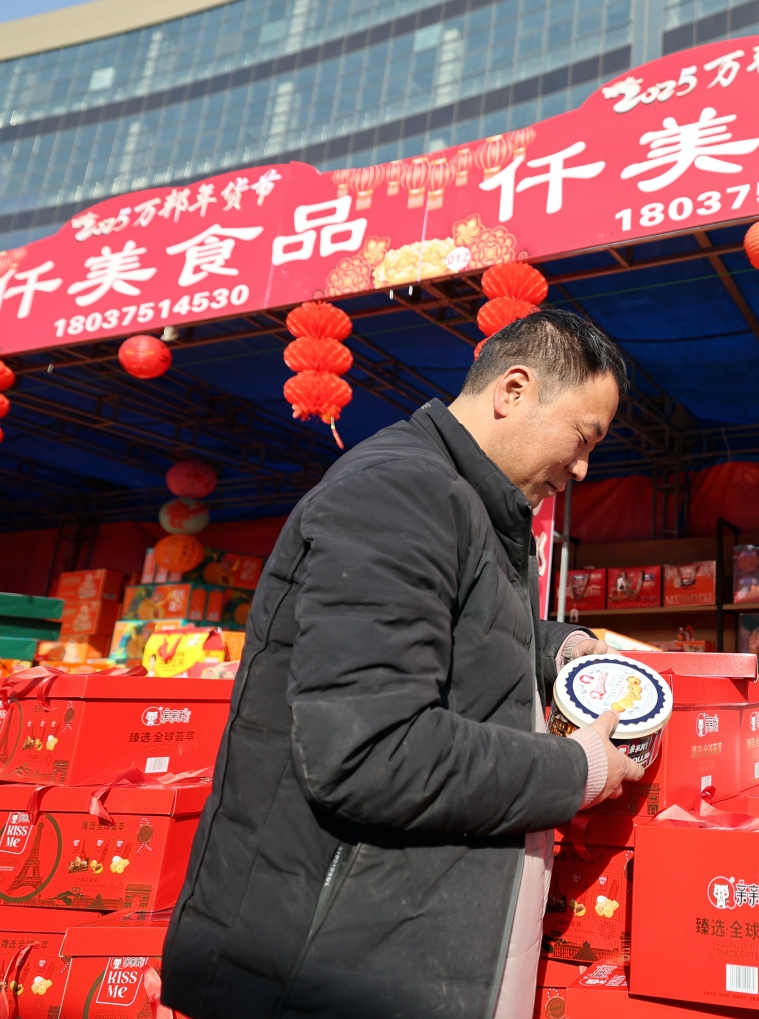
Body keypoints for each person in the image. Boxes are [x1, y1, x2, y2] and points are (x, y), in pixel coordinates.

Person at [161, 308, 645, 1019]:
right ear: (513, 390)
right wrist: (579, 770)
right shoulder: (399, 490)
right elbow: (372, 748)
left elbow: (455, 631)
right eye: (583, 437)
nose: (581, 467)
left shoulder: (469, 504)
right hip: (317, 971)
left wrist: (563, 651)